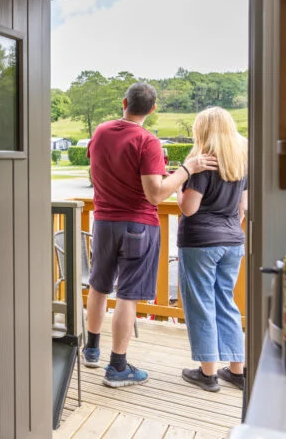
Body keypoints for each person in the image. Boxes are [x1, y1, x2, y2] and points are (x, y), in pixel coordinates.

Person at [82, 81, 218, 388]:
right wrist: (187, 169)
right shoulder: (147, 141)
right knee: (128, 295)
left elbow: (112, 169)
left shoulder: (100, 132)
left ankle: (91, 349)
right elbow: (155, 194)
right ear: (153, 109)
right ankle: (117, 367)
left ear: (124, 102)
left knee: (99, 286)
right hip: (137, 226)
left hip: (103, 222)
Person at [176, 107, 248, 392]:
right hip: (233, 241)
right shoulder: (239, 162)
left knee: (201, 304)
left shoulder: (202, 163)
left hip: (200, 242)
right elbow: (243, 208)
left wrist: (178, 188)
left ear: (202, 130)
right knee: (226, 301)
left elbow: (189, 208)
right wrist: (227, 228)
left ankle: (207, 373)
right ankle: (237, 371)